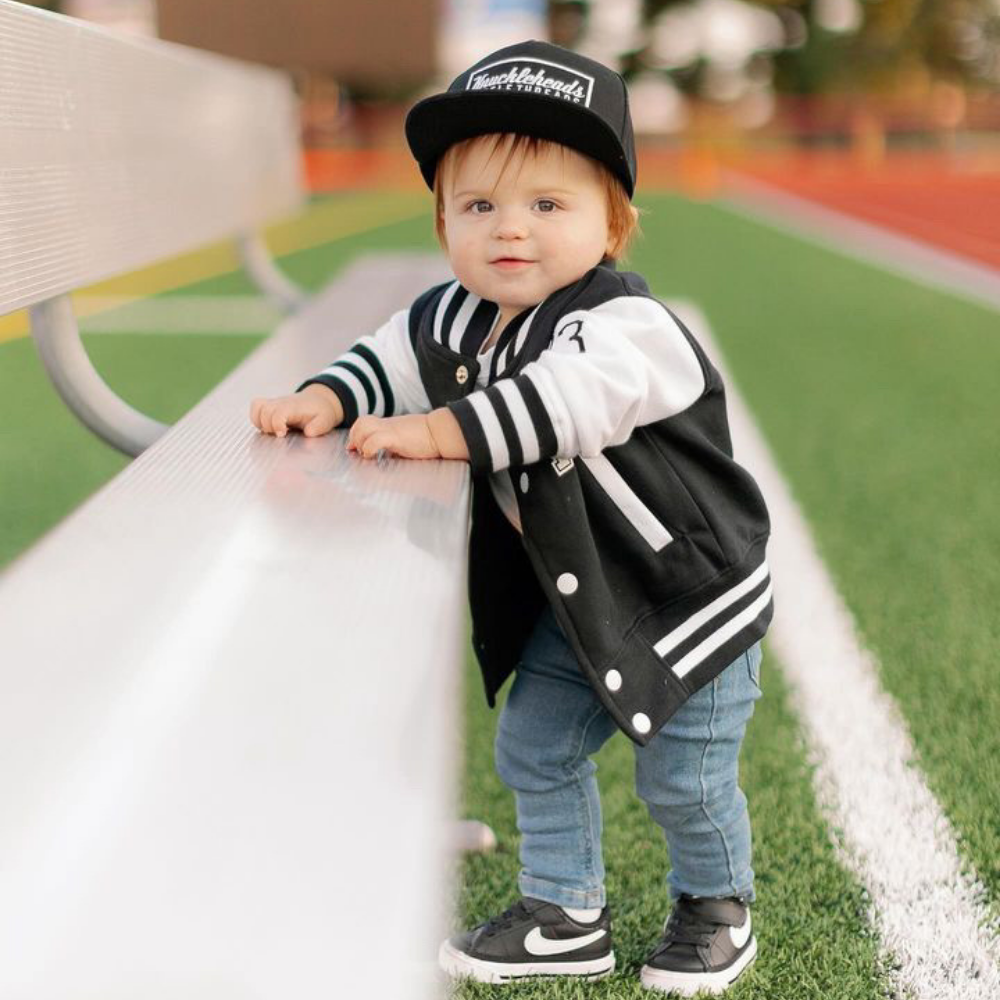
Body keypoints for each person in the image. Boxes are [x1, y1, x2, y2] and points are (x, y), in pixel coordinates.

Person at [249, 39, 772, 996]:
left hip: (684, 598)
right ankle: (566, 911)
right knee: (533, 743)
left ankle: (716, 904)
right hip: (579, 604)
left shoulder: (626, 329)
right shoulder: (454, 312)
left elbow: (561, 403)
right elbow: (388, 357)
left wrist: (437, 431)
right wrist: (326, 400)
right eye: (478, 206)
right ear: (443, 219)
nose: (509, 231)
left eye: (547, 205)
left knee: (683, 778)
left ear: (613, 223)